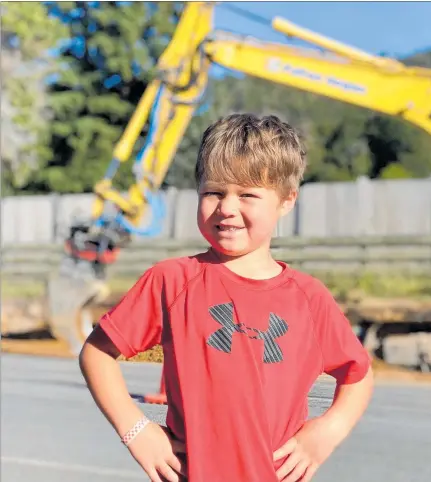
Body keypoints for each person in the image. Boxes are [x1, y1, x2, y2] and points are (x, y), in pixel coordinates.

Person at [79, 113, 374, 482]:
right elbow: (96, 353)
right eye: (213, 192)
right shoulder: (172, 281)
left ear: (287, 200)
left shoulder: (309, 298)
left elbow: (358, 375)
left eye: (247, 194)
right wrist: (136, 431)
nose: (227, 208)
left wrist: (327, 432)